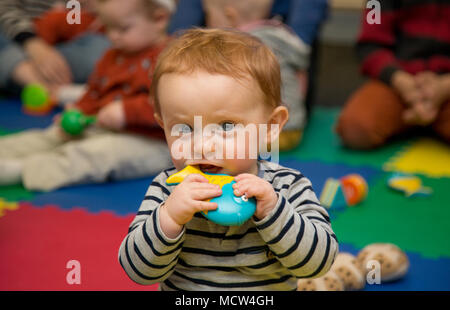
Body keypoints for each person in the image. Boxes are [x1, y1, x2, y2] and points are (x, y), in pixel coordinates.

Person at [118, 29, 338, 291]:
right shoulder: (168, 188)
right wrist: (169, 219)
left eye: (226, 126)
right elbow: (138, 272)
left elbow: (318, 264)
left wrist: (273, 210)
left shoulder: (288, 187)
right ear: (163, 126)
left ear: (270, 126)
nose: (202, 146)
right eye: (184, 129)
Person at [0, 0, 176, 191]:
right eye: (108, 27)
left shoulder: (173, 60)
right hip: (103, 126)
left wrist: (126, 111)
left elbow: (175, 106)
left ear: (159, 19)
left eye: (122, 29)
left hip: (153, 142)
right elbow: (94, 92)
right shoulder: (113, 55)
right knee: (53, 135)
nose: (112, 36)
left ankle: (21, 171)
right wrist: (79, 110)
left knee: (95, 154)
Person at [336, 0, 450, 149]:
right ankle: (416, 118)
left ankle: (419, 118)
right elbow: (369, 45)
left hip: (447, 85)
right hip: (397, 81)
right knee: (355, 129)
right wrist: (401, 81)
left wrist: (444, 87)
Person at [201, 0, 310, 151]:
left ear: (230, 16)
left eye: (208, 15)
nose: (207, 22)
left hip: (270, 134)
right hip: (294, 127)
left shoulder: (242, 45)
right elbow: (301, 78)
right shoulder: (281, 35)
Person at [0, 0, 110, 95]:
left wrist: (103, 10)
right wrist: (33, 44)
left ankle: (29, 81)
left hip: (60, 55)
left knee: (103, 50)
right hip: (14, 43)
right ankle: (48, 87)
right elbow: (4, 10)